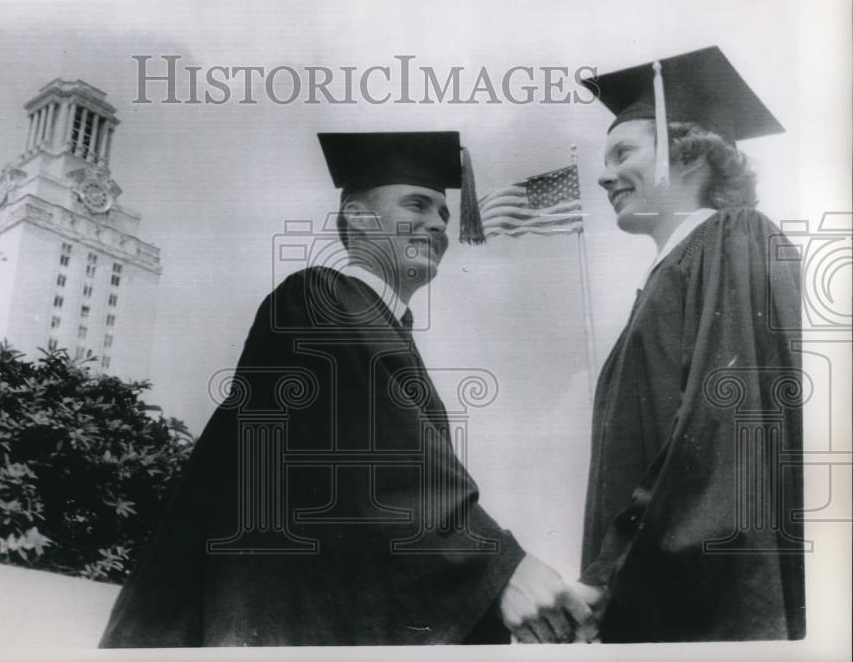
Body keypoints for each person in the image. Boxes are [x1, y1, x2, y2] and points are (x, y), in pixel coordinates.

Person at [99, 131, 593, 646]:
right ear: (357, 216)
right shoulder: (318, 297)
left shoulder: (379, 327)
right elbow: (382, 462)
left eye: (444, 215)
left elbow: (370, 517)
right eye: (417, 204)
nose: (436, 225)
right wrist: (497, 563)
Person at [571, 47, 805, 641]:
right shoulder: (675, 268)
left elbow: (717, 428)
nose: (603, 175)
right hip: (652, 585)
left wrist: (607, 573)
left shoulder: (734, 236)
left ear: (690, 151)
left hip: (699, 593)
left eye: (623, 152)